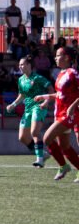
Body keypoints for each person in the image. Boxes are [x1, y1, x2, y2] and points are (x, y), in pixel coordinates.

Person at [34, 46, 79, 181]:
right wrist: (45, 96)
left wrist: (73, 106)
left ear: (66, 58)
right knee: (64, 146)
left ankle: (63, 166)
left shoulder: (73, 73)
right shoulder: (60, 74)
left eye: (58, 55)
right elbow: (60, 94)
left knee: (47, 138)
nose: (55, 57)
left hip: (69, 114)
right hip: (59, 113)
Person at [5, 56, 52, 167]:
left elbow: (51, 89)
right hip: (28, 109)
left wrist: (46, 102)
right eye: (19, 65)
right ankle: (43, 154)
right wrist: (13, 104)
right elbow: (22, 95)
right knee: (22, 137)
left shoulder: (38, 78)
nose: (20, 66)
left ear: (29, 65)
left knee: (34, 132)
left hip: (38, 107)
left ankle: (39, 159)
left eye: (23, 64)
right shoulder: (21, 80)